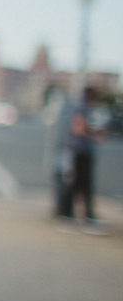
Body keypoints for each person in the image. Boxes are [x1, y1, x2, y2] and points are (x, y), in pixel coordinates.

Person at [54, 86, 103, 233]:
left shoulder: (75, 105)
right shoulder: (82, 107)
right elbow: (78, 127)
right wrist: (94, 134)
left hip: (75, 151)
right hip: (79, 151)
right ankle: (74, 217)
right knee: (79, 184)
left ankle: (73, 216)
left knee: (76, 184)